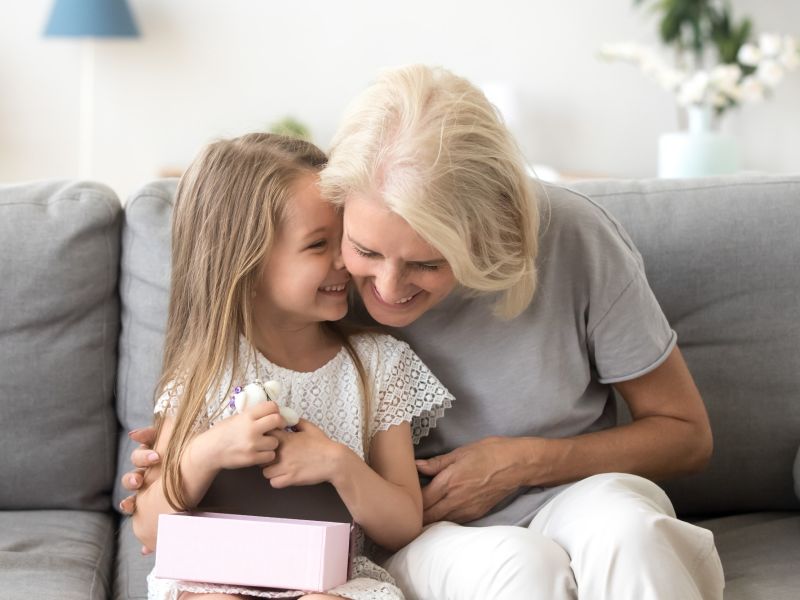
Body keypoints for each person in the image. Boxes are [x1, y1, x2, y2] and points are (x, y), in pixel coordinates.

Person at [123, 65, 724, 599]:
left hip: (573, 493)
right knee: (521, 568)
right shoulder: (323, 279)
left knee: (632, 534)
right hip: (423, 539)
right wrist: (187, 458)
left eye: (428, 263)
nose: (385, 286)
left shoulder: (574, 239)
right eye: (363, 249)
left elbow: (686, 435)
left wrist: (525, 462)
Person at [131, 132, 454, 600]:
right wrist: (207, 451)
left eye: (342, 239)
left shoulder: (378, 365)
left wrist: (338, 464)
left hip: (333, 580)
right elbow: (149, 531)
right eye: (319, 244)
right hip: (212, 575)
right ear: (248, 263)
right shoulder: (206, 373)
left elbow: (404, 525)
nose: (344, 261)